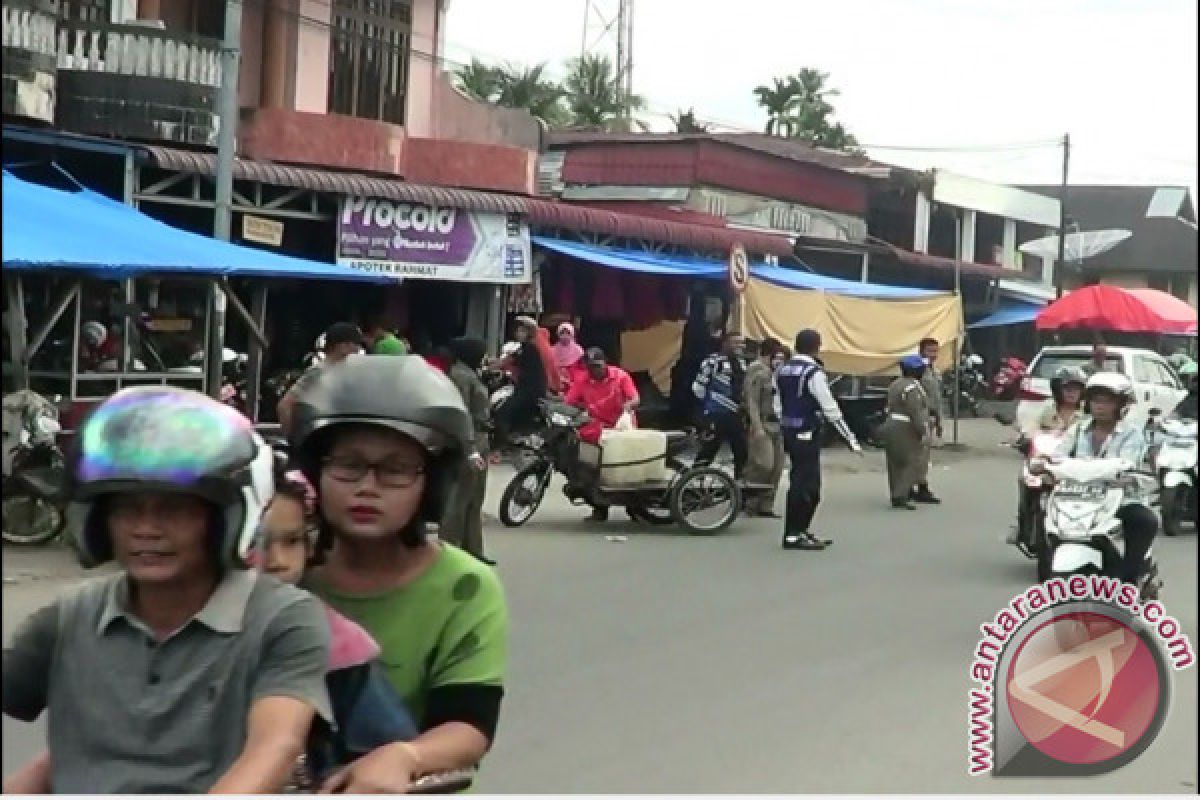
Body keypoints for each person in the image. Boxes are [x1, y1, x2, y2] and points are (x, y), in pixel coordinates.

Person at [2, 387, 332, 794]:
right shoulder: (72, 616)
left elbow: (276, 746)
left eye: (174, 509)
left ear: (223, 518)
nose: (146, 529)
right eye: (127, 509)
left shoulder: (283, 618)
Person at [290, 356, 509, 793]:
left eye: (394, 470)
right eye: (348, 465)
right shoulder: (284, 571)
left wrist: (406, 756)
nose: (367, 487)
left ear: (432, 485)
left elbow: (468, 724)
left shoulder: (464, 588)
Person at [253, 467, 419, 788]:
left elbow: (385, 752)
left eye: (292, 542)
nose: (277, 561)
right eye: (256, 542)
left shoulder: (341, 650)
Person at [1050, 372, 1157, 586]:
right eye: (1095, 399)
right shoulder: (1078, 429)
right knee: (1048, 515)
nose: (1100, 406)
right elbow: (1058, 456)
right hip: (1078, 499)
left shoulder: (1131, 433)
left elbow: (1127, 463)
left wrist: (1125, 476)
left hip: (1119, 499)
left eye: (1108, 401)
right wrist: (1044, 467)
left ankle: (1130, 580)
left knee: (1145, 520)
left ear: (1122, 404)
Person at [776, 329, 862, 550]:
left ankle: (797, 531)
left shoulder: (783, 369)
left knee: (798, 481)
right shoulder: (813, 372)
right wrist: (850, 438)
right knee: (809, 487)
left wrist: (784, 424)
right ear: (817, 346)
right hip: (807, 433)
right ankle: (795, 534)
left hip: (789, 432)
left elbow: (777, 402)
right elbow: (830, 407)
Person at [564, 348, 640, 522]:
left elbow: (635, 398)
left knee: (627, 468)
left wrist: (628, 407)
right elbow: (569, 402)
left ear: (606, 362)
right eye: (590, 367)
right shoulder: (583, 380)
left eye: (597, 366)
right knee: (589, 468)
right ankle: (599, 508)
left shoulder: (620, 376)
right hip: (597, 428)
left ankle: (634, 506)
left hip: (621, 428)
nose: (595, 371)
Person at [441, 337, 493, 563]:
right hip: (469, 441)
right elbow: (461, 414)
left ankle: (473, 549)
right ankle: (449, 551)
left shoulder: (469, 374)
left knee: (475, 499)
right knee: (460, 499)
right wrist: (469, 448)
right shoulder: (461, 377)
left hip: (481, 438)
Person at [278, 321, 365, 435]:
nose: (358, 349)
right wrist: (293, 438)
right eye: (356, 344)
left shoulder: (348, 372)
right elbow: (285, 405)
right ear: (343, 346)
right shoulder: (320, 372)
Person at [693, 332, 750, 479]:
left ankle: (739, 487)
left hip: (736, 414)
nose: (740, 346)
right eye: (736, 343)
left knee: (741, 451)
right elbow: (698, 387)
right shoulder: (712, 362)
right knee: (709, 449)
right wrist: (709, 405)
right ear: (725, 344)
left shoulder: (743, 363)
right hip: (716, 413)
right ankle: (692, 483)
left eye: (742, 343)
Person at [880, 355, 930, 511]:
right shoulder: (912, 387)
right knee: (908, 461)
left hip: (891, 423)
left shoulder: (895, 384)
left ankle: (897, 493)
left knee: (894, 461)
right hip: (905, 426)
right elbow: (915, 411)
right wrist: (922, 430)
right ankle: (901, 495)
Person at [743, 337, 785, 517]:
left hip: (779, 423)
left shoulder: (777, 374)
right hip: (763, 422)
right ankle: (748, 499)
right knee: (763, 465)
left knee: (777, 467)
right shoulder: (757, 371)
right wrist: (757, 426)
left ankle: (767, 504)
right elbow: (751, 400)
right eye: (777, 357)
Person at [493, 316, 548, 449]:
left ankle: (501, 446)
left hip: (531, 389)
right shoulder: (523, 347)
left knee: (503, 411)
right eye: (518, 330)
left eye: (523, 330)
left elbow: (509, 361)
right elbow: (508, 360)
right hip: (524, 387)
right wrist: (491, 364)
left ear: (529, 333)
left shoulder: (530, 348)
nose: (519, 333)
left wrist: (496, 366)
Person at [912, 337, 943, 504]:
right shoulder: (917, 370)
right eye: (930, 351)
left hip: (930, 416)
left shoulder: (934, 371)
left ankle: (919, 486)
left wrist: (939, 421)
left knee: (923, 455)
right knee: (917, 455)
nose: (933, 354)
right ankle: (916, 487)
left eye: (936, 351)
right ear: (921, 351)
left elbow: (937, 398)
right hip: (920, 416)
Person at [1033, 366, 1088, 434]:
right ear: (1057, 390)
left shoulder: (1087, 412)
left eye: (1076, 388)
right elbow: (1033, 433)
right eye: (1067, 387)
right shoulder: (1045, 409)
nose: (1071, 392)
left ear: (1082, 391)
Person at [552, 322, 586, 389]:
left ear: (572, 334)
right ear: (558, 334)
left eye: (568, 333)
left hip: (574, 380)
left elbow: (582, 368)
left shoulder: (578, 350)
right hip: (558, 380)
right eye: (562, 333)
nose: (565, 335)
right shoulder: (553, 350)